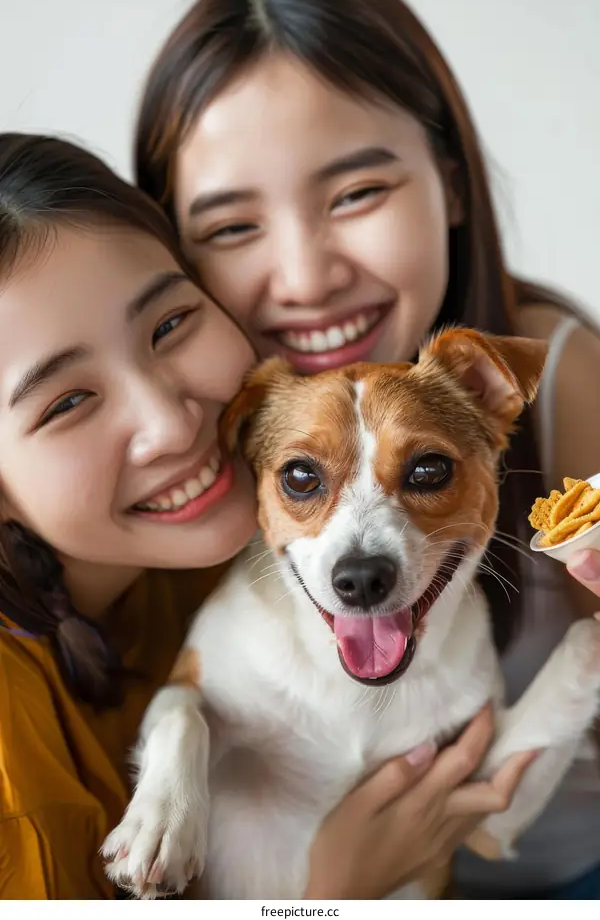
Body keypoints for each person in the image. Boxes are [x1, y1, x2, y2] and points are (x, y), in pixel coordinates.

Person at [134, 0, 600, 899]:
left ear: (453, 181)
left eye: (355, 193)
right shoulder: (182, 426)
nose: (305, 278)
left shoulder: (552, 372)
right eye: (230, 226)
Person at [0, 133, 531, 901]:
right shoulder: (16, 785)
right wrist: (324, 898)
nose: (174, 425)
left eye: (169, 324)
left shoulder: (229, 562)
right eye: (67, 401)